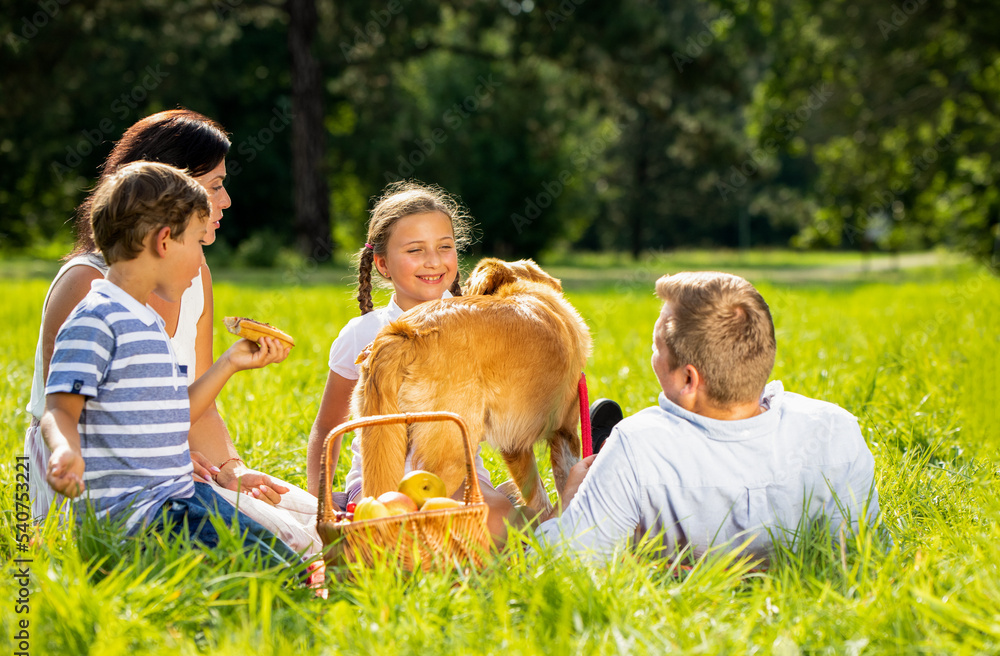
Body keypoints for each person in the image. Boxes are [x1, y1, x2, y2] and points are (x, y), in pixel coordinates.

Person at [24, 109, 321, 555]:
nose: (225, 201)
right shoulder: (88, 288)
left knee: (321, 525)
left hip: (168, 470)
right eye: (215, 186)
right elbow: (76, 413)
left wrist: (231, 468)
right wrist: (174, 459)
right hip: (101, 483)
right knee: (293, 547)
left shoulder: (191, 273)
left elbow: (190, 408)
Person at [536, 272, 880, 563]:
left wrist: (570, 503)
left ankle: (605, 481)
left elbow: (566, 562)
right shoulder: (835, 429)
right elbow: (864, 553)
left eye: (657, 348)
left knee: (501, 504)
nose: (652, 356)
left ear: (689, 380)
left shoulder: (636, 445)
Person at [306, 181, 519, 538]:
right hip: (380, 486)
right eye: (415, 250)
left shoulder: (479, 326)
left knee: (498, 521)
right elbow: (328, 427)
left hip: (461, 477)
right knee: (393, 532)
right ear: (383, 265)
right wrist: (318, 497)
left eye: (444, 247)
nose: (434, 261)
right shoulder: (363, 334)